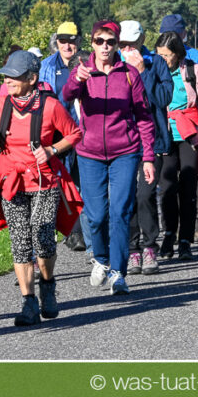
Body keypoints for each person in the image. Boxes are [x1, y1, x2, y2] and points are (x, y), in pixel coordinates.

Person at [0, 51, 83, 325]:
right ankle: (28, 303)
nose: (8, 80)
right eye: (6, 76)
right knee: (20, 241)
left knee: (43, 236)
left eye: (15, 76)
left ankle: (47, 286)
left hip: (44, 180)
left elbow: (75, 133)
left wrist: (52, 150)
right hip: (11, 180)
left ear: (32, 78)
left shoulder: (51, 106)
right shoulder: (0, 103)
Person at [63, 20, 156, 295]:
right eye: (99, 41)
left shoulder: (129, 74)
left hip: (125, 152)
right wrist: (76, 80)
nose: (105, 47)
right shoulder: (83, 71)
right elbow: (65, 96)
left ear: (117, 44)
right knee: (96, 215)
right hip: (89, 153)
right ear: (92, 43)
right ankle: (101, 260)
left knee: (120, 212)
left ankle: (118, 273)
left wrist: (148, 157)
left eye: (110, 41)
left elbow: (144, 117)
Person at [153, 30, 198, 261]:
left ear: (178, 53)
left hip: (190, 133)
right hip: (164, 133)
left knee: (189, 187)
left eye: (167, 55)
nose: (162, 59)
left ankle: (185, 240)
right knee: (167, 187)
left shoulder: (192, 69)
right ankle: (169, 234)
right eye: (159, 54)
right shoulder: (153, 71)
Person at [120, 20, 173, 276]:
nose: (127, 49)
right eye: (123, 44)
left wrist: (142, 73)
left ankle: (150, 246)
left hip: (154, 140)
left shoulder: (156, 63)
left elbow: (163, 98)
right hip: (123, 142)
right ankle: (132, 250)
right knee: (127, 196)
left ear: (142, 40)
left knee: (145, 194)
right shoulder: (113, 67)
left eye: (132, 43)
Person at [38, 21, 89, 252]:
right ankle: (72, 231)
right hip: (59, 135)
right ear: (56, 42)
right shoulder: (46, 66)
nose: (67, 45)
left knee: (84, 183)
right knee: (63, 184)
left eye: (72, 41)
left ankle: (85, 232)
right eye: (62, 41)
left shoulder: (87, 63)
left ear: (79, 41)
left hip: (85, 133)